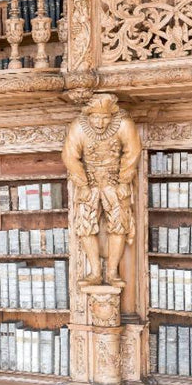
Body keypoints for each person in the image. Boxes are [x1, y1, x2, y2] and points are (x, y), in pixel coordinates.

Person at [62, 93, 141, 286]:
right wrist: (82, 184)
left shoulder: (124, 124)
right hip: (88, 182)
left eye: (105, 118)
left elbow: (133, 151)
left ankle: (112, 272)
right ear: (88, 116)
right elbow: (70, 156)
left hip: (114, 181)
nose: (100, 123)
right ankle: (95, 271)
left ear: (112, 116)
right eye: (96, 117)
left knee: (119, 223)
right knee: (84, 224)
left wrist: (124, 181)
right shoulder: (78, 127)